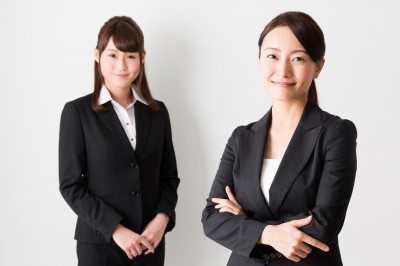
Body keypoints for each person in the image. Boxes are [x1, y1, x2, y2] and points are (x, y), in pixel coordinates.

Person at [202, 11, 357, 266]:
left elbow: (324, 225)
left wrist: (247, 225)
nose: (282, 70)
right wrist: (268, 234)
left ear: (318, 67)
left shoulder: (335, 133)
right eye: (272, 56)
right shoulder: (241, 138)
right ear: (260, 60)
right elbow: (212, 218)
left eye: (297, 58)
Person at [59, 16, 179, 266]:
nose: (121, 65)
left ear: (142, 58)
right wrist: (115, 229)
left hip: (149, 244)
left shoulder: (158, 113)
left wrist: (162, 220)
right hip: (100, 246)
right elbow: (71, 186)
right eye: (113, 55)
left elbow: (169, 178)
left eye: (130, 56)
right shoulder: (77, 112)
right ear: (97, 55)